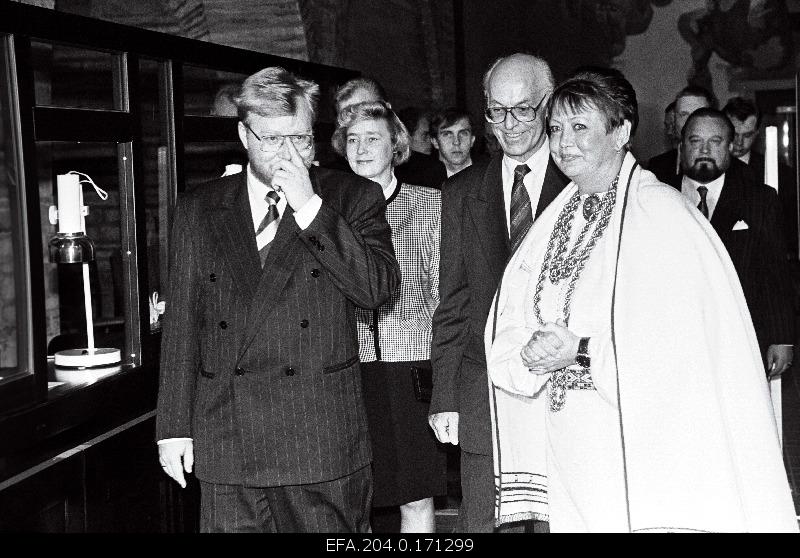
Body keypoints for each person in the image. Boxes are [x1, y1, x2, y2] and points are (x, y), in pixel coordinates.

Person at [485, 69, 798, 532]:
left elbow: (681, 346)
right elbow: (517, 310)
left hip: (642, 445)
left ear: (622, 132)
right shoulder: (558, 216)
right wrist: (530, 349)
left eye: (579, 128)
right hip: (571, 443)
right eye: (555, 129)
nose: (563, 142)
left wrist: (582, 350)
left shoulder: (661, 213)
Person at [155, 66, 400, 533]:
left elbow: (376, 290)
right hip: (229, 439)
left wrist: (311, 208)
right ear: (244, 135)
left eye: (301, 140)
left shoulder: (353, 197)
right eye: (271, 140)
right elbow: (184, 322)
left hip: (318, 438)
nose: (288, 154)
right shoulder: (199, 208)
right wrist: (173, 426)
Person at [429, 53, 569, 533]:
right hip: (482, 387)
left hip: (560, 390)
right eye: (496, 110)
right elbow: (453, 299)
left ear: (549, 106)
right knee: (482, 525)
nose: (508, 125)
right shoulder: (462, 192)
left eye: (523, 109)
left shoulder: (580, 183)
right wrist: (445, 394)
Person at [332, 100, 446, 533]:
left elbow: (444, 297)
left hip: (408, 368)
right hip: (345, 370)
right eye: (353, 139)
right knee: (349, 500)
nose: (361, 148)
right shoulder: (325, 210)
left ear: (396, 145)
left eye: (372, 138)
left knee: (414, 499)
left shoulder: (429, 205)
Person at [676, 107, 795, 376]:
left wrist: (782, 337)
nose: (705, 149)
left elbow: (775, 272)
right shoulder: (658, 195)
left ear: (730, 147)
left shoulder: (760, 200)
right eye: (696, 141)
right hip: (676, 338)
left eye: (715, 142)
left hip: (741, 338)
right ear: (682, 147)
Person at [723, 96, 798, 257]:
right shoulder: (712, 171)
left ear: (757, 133)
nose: (739, 142)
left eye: (747, 135)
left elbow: (790, 228)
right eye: (734, 134)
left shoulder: (783, 174)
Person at [647, 85, 714, 185]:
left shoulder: (726, 166)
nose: (689, 122)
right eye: (683, 114)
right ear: (674, 119)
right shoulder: (656, 167)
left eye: (698, 113)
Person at [395, 106, 447, 189]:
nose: (430, 141)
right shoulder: (433, 169)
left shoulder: (390, 168)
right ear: (407, 137)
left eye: (430, 135)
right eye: (425, 135)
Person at [430, 108, 476, 177]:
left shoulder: (492, 175)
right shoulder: (424, 182)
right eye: (447, 134)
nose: (456, 142)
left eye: (463, 133)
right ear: (435, 142)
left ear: (472, 140)